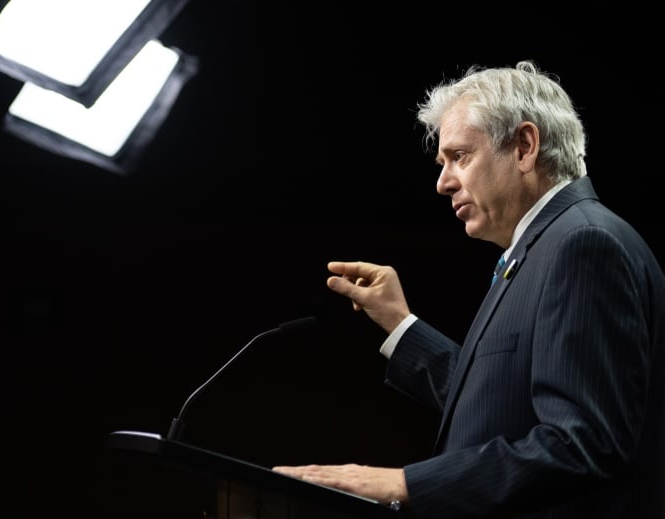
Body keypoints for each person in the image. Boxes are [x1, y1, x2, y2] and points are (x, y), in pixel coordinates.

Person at [272, 60, 665, 518]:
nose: (443, 183)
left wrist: (402, 483)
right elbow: (499, 404)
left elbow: (579, 445)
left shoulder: (583, 245)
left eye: (459, 156)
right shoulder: (541, 248)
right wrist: (401, 325)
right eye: (443, 163)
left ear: (524, 146)